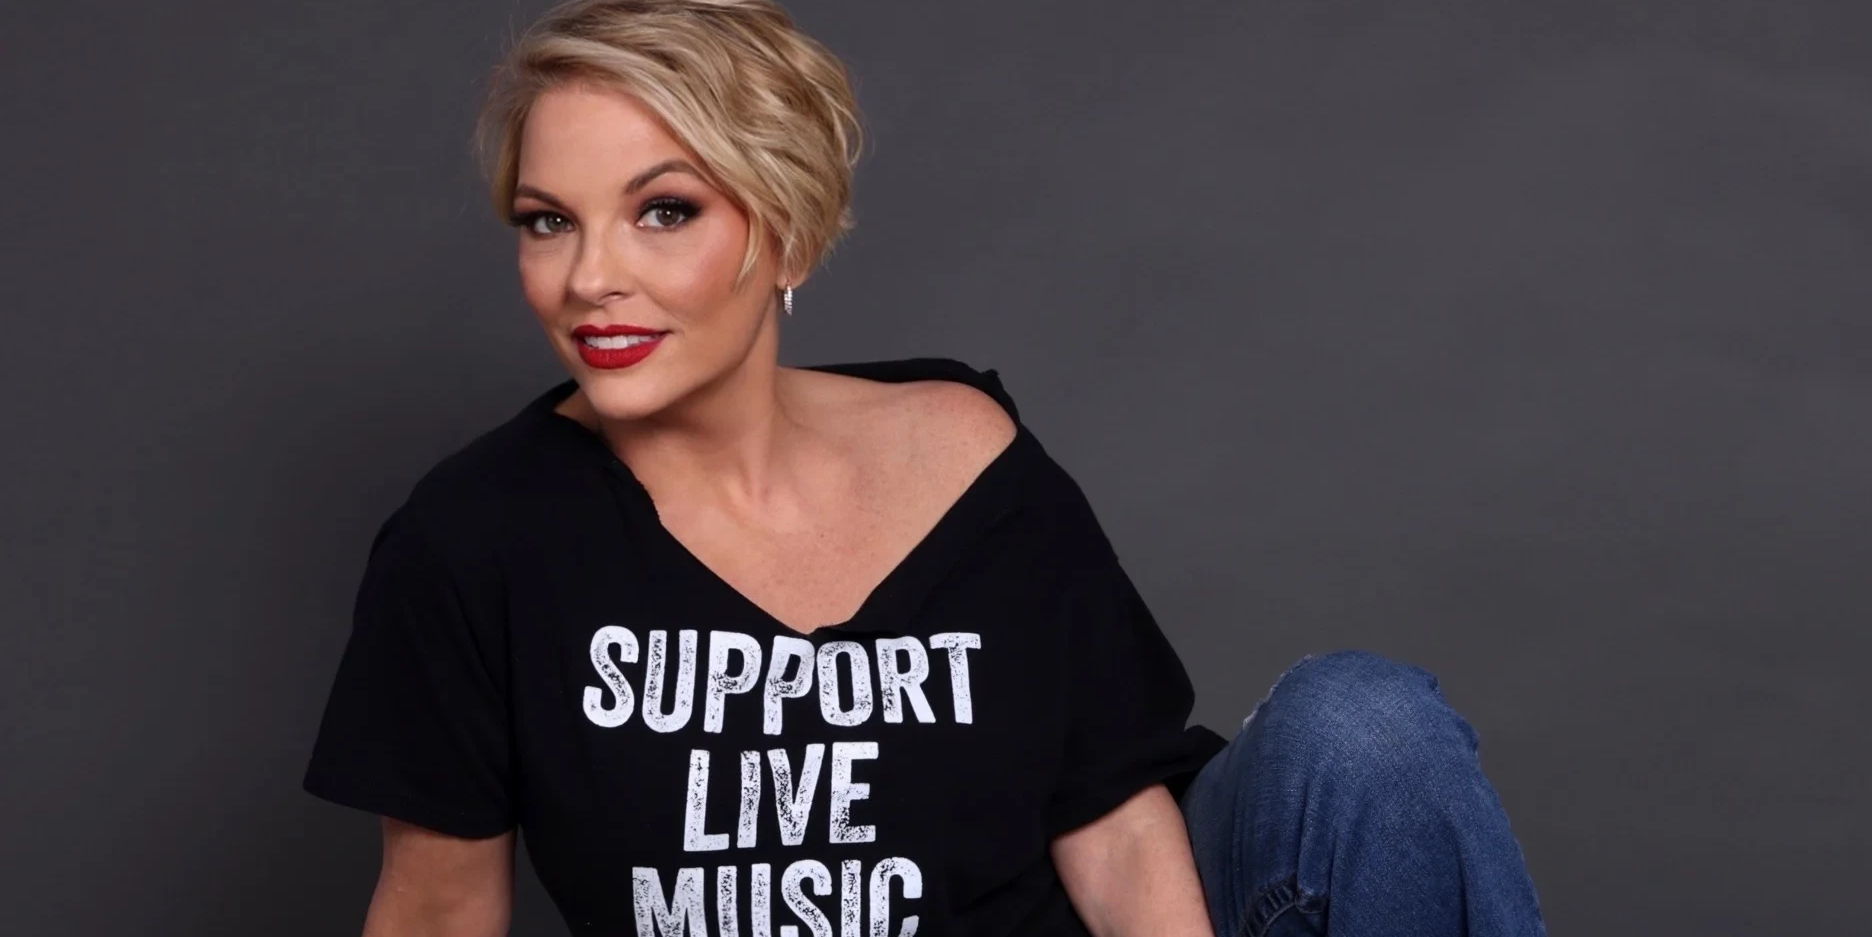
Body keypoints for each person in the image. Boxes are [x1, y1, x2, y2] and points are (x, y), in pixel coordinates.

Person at [300, 1, 1548, 934]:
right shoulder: (474, 539)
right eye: (546, 220)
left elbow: (1111, 819)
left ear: (778, 223)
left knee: (1363, 724)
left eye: (663, 210)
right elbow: (438, 911)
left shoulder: (964, 448)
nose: (590, 278)